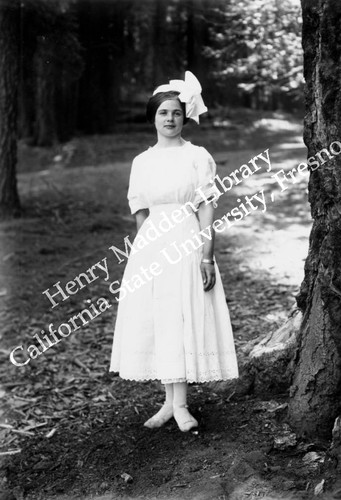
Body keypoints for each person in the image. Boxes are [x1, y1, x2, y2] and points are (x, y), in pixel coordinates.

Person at [110, 71, 238, 432]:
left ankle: (180, 405)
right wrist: (145, 256)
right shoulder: (142, 161)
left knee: (182, 316)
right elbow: (141, 212)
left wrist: (206, 254)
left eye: (177, 113)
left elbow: (206, 208)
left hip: (187, 241)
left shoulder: (196, 156)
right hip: (153, 246)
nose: (170, 119)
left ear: (185, 118)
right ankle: (169, 402)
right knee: (160, 319)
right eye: (164, 113)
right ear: (153, 117)